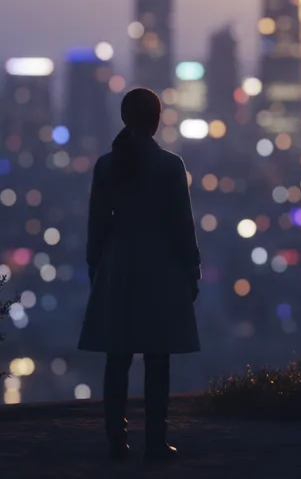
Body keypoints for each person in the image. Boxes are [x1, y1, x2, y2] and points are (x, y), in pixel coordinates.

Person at [77, 87, 202, 462]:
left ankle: (117, 441)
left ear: (124, 117)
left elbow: (97, 223)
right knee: (157, 356)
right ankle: (156, 441)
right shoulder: (169, 165)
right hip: (160, 263)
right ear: (157, 118)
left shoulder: (106, 165)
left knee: (118, 356)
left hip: (118, 262)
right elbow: (182, 224)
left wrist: (95, 264)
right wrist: (191, 265)